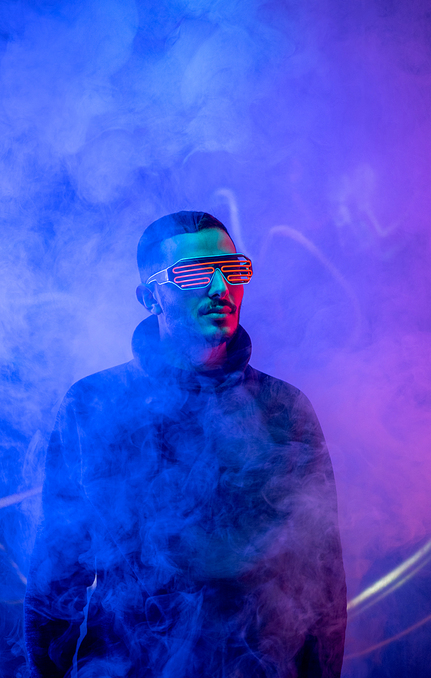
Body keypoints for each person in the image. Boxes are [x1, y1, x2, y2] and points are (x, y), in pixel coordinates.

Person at [24, 211, 346, 678]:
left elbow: (323, 580)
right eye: (194, 273)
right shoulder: (93, 404)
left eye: (232, 270)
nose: (220, 288)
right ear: (150, 296)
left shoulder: (283, 408)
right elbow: (58, 574)